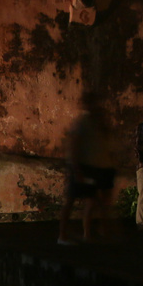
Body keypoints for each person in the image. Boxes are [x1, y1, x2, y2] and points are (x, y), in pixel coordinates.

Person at [58, 91, 116, 245]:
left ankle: (91, 233)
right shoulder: (83, 121)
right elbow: (74, 145)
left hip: (100, 167)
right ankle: (64, 235)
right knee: (74, 199)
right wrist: (76, 169)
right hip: (88, 166)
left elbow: (107, 143)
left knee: (96, 200)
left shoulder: (100, 121)